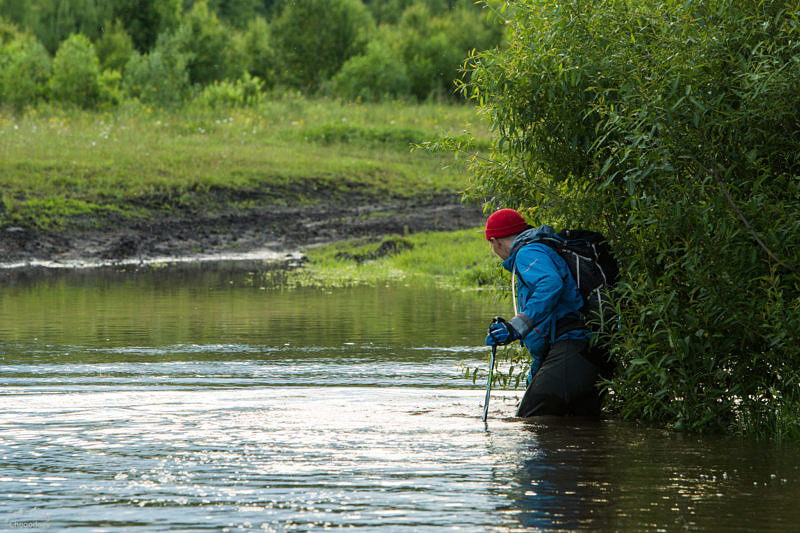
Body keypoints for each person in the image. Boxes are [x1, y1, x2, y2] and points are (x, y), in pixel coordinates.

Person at [483, 208, 602, 417]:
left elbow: (550, 284)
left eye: (491, 245)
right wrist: (536, 374)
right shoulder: (542, 248)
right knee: (580, 431)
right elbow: (550, 323)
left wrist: (515, 327)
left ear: (495, 241)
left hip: (571, 350)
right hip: (583, 353)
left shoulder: (527, 252)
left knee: (531, 421)